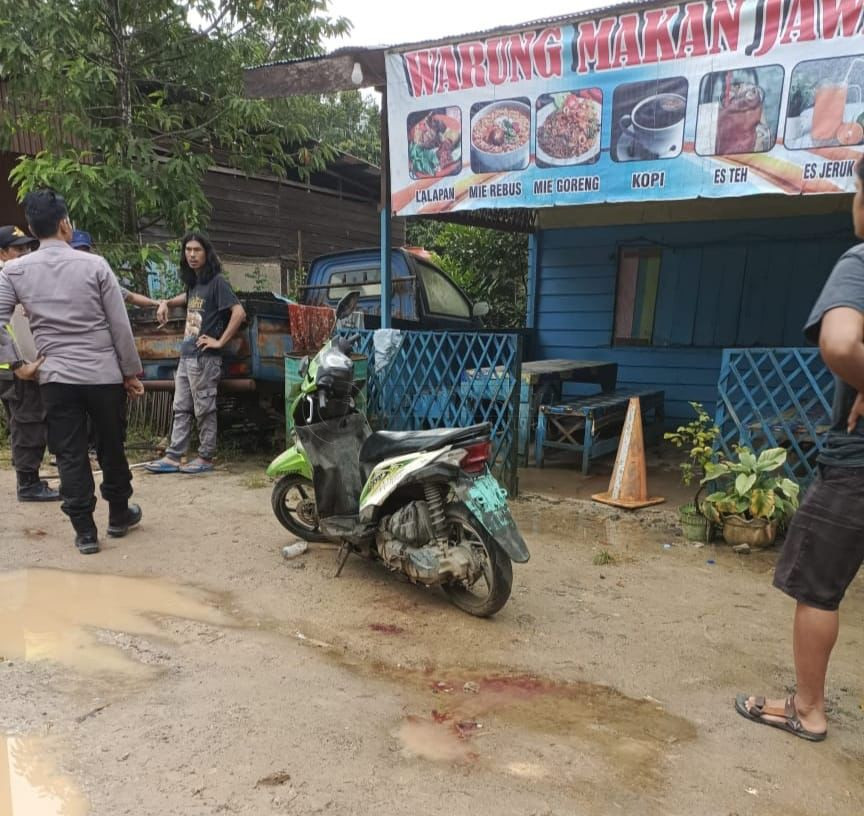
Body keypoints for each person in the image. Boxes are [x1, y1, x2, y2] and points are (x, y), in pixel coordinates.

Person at [736, 160, 864, 742]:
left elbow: (839, 343)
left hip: (857, 466)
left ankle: (806, 709)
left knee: (816, 585)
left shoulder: (859, 262)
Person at [0, 190, 145, 554]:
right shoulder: (95, 265)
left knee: (69, 453)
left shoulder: (14, 271)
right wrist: (130, 372)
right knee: (111, 446)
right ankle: (117, 517)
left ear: (32, 229)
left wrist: (19, 366)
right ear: (65, 224)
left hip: (55, 378)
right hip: (103, 376)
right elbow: (119, 326)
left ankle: (84, 532)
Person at [146, 232, 245, 474]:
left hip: (204, 358)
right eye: (188, 250)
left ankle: (206, 457)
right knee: (180, 407)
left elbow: (238, 312)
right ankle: (173, 456)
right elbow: (187, 298)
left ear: (206, 253)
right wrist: (165, 302)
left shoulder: (217, 282)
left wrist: (220, 342)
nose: (191, 254)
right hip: (187, 355)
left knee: (204, 409)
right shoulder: (195, 283)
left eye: (197, 250)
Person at [0, 225, 60, 501]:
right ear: (2, 253)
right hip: (15, 370)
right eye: (18, 249)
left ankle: (29, 478)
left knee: (27, 421)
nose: (25, 253)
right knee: (28, 422)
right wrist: (18, 365)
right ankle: (28, 484)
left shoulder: (16, 277)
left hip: (18, 367)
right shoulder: (4, 280)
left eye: (27, 247)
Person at [70, 229, 166, 311]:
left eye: (84, 250)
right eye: (77, 250)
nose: (81, 255)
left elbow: (130, 297)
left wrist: (156, 303)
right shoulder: (63, 277)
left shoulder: (99, 276)